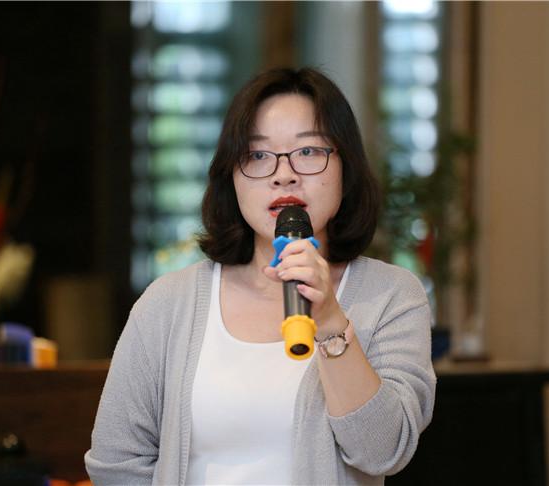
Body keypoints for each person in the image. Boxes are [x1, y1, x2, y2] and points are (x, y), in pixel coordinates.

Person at [85, 67, 436, 485]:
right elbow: (116, 462)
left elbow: (383, 452)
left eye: (309, 151)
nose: (283, 174)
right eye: (257, 155)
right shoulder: (167, 303)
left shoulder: (391, 296)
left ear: (346, 169)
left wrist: (330, 321)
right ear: (230, 176)